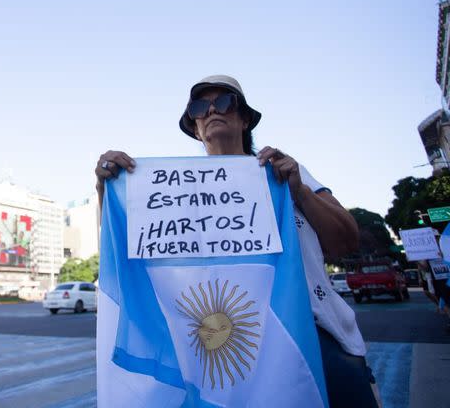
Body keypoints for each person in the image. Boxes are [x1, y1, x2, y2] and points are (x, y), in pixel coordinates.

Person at [94, 74, 379, 408]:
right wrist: (108, 192)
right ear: (195, 127)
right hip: (223, 352)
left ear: (245, 119)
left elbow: (346, 240)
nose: (213, 110)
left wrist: (298, 191)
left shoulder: (284, 172)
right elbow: (127, 256)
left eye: (226, 102)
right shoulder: (172, 193)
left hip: (313, 336)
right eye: (201, 107)